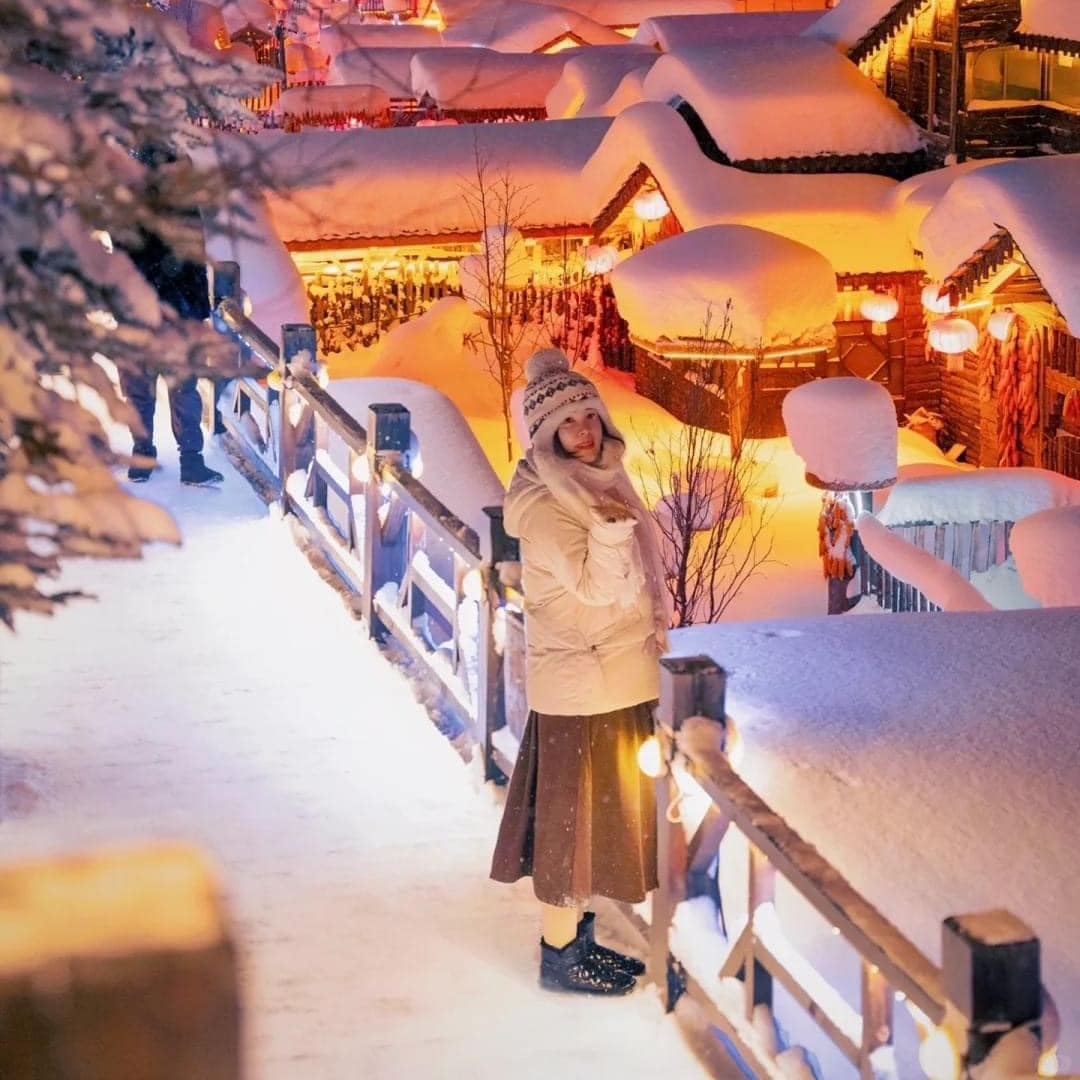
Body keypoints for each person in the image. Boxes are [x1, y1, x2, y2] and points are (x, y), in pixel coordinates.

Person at [490, 348, 671, 996]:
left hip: (609, 675)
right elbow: (599, 587)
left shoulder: (593, 480)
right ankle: (560, 955)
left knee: (590, 826)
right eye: (567, 422)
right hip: (582, 685)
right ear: (545, 434)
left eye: (589, 414)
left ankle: (578, 939)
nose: (584, 430)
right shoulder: (547, 504)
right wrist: (613, 535)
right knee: (569, 833)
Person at [122, 144, 223, 487]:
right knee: (180, 387)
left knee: (142, 385)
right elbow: (194, 257)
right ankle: (188, 459)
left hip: (142, 304)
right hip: (170, 305)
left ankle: (145, 455)